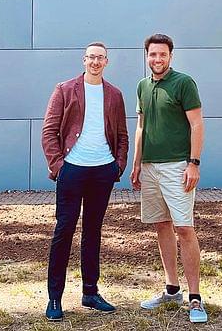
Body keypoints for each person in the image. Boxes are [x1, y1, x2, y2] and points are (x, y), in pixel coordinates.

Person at [41, 42, 129, 322]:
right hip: (72, 170)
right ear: (84, 60)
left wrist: (118, 165)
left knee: (93, 231)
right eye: (91, 57)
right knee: (64, 229)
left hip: (102, 170)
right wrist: (59, 166)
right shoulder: (65, 89)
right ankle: (55, 297)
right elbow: (49, 131)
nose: (95, 62)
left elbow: (122, 135)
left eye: (100, 58)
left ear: (107, 62)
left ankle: (90, 292)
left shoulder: (114, 94)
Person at [130, 33, 208, 324]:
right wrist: (136, 164)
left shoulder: (184, 83)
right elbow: (141, 127)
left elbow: (197, 124)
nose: (157, 59)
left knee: (184, 228)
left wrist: (193, 164)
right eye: (152, 54)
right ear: (147, 56)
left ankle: (195, 297)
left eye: (162, 54)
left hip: (177, 167)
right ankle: (172, 289)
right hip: (150, 167)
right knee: (161, 225)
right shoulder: (142, 86)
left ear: (170, 56)